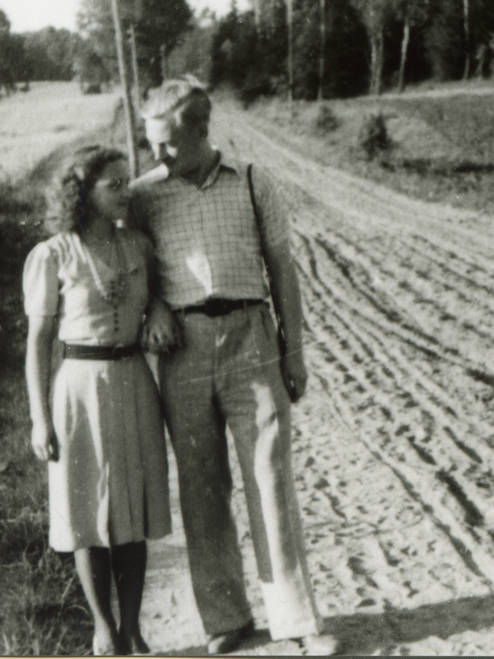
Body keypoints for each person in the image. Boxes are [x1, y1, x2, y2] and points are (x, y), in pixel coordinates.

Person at [129, 78, 339, 656]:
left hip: (252, 338)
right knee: (201, 486)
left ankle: (297, 620)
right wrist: (155, 307)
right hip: (183, 349)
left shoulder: (251, 181)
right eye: (152, 144)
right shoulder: (144, 196)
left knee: (270, 479)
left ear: (201, 130)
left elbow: (282, 268)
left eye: (168, 144)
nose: (159, 156)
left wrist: (293, 350)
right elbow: (133, 269)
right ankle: (227, 619)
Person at [24, 145, 171, 656]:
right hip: (78, 389)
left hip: (133, 379)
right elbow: (38, 343)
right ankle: (104, 628)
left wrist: (155, 307)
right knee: (86, 510)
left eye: (127, 181)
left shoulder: (139, 246)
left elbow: (156, 293)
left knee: (131, 511)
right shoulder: (54, 254)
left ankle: (133, 626)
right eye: (113, 184)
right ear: (81, 194)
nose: (125, 191)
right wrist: (39, 420)